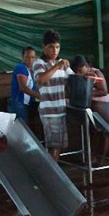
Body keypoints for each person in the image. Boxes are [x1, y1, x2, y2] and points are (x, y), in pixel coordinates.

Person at [33, 29, 74, 162]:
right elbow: (41, 80)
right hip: (49, 112)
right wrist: (57, 66)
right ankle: (51, 177)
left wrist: (88, 76)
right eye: (51, 47)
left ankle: (52, 175)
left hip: (61, 110)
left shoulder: (63, 63)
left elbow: (74, 79)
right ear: (43, 47)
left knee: (59, 146)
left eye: (57, 47)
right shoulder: (39, 63)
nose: (55, 51)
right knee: (54, 147)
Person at [71, 54, 109, 164]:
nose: (79, 73)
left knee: (105, 132)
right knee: (93, 131)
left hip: (105, 105)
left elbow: (104, 91)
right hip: (93, 106)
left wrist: (86, 93)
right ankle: (93, 157)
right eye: (77, 71)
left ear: (86, 65)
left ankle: (102, 159)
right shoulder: (80, 76)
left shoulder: (96, 73)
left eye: (80, 70)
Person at [9, 46, 41, 122]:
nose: (30, 60)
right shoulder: (21, 67)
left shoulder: (31, 70)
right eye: (27, 57)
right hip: (19, 104)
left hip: (26, 104)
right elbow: (23, 88)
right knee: (22, 128)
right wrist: (40, 96)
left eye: (32, 57)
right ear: (22, 58)